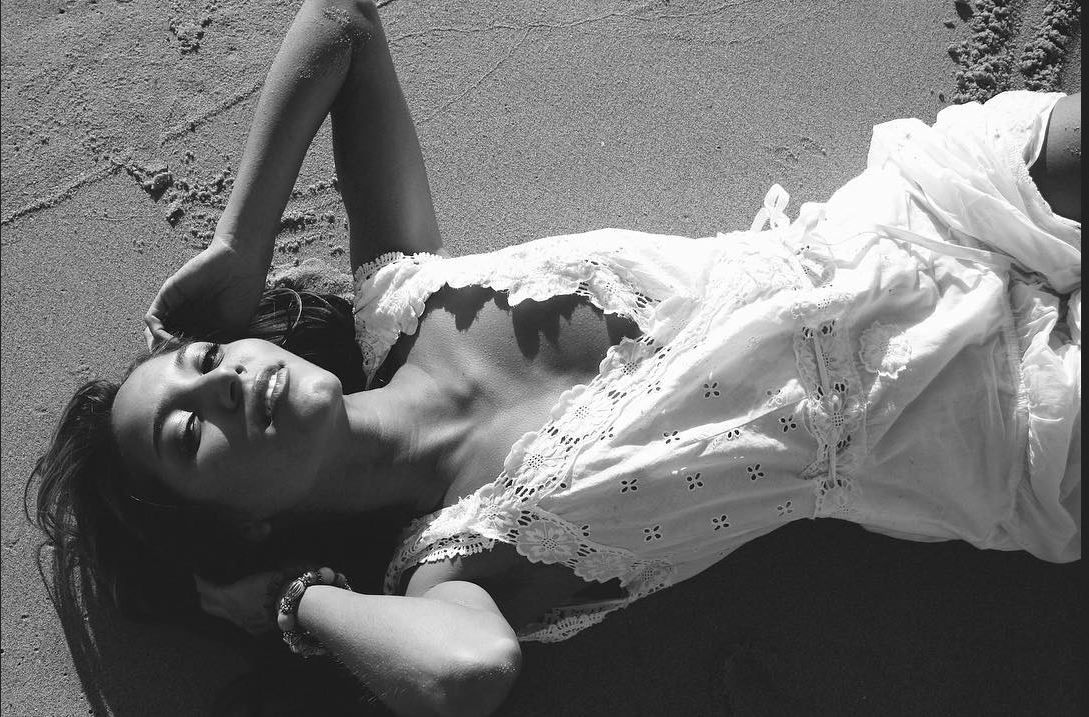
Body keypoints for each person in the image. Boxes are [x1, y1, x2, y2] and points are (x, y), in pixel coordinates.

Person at [28, 0, 1080, 715]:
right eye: (187, 431)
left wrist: (239, 245)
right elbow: (466, 676)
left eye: (205, 359)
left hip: (921, 213)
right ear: (241, 522)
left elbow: (344, 22)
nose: (221, 384)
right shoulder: (451, 560)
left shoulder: (402, 295)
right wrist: (291, 601)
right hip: (967, 420)